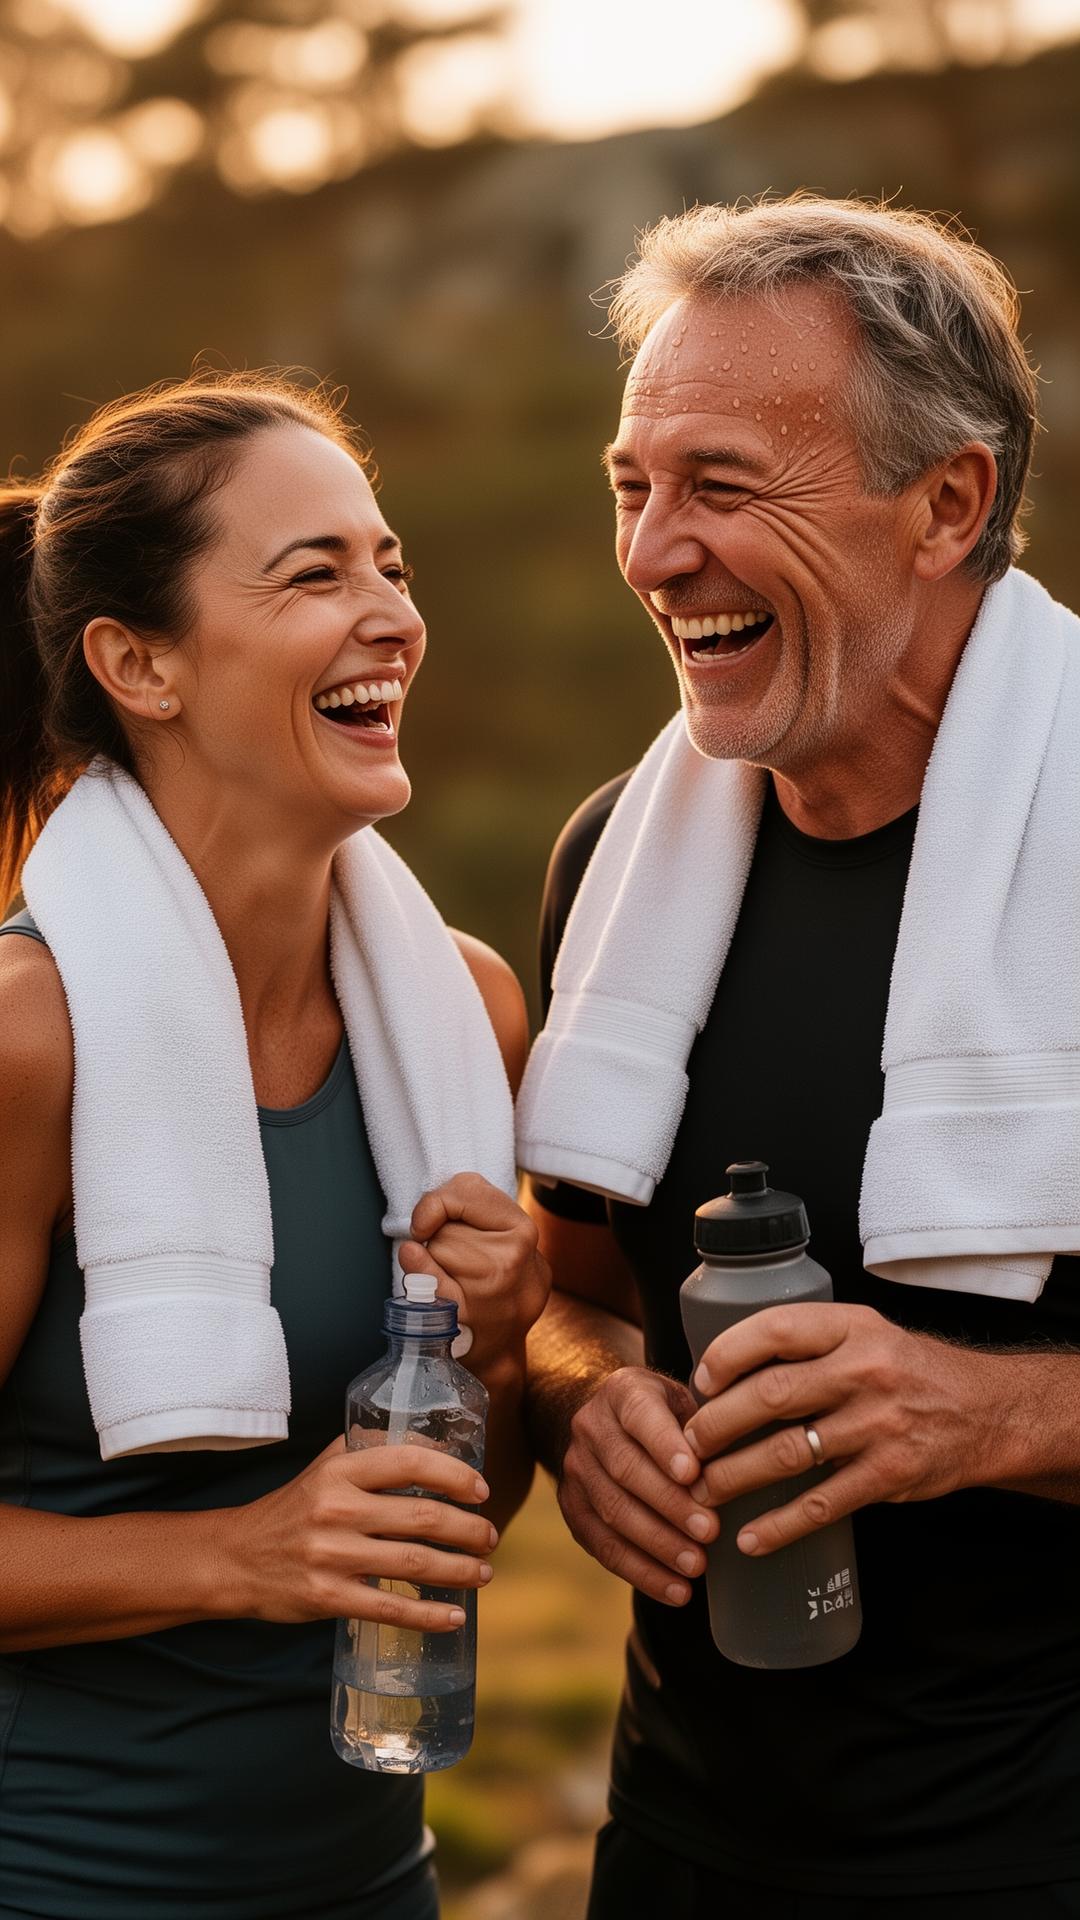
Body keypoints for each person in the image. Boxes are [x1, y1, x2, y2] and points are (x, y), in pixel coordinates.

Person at [518, 197, 1080, 1917]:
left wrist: (988, 1412)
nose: (656, 551)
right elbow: (570, 1292)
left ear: (948, 504)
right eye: (635, 486)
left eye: (724, 483)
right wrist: (584, 1400)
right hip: (688, 1841)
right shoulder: (614, 859)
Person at [0, 371, 549, 1920]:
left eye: (392, 565)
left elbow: (450, 1516)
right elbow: (286, 1552)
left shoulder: (461, 1011)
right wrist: (236, 1556)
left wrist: (499, 1353)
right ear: (139, 664)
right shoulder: (26, 1038)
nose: (390, 613)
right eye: (316, 573)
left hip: (373, 1876)